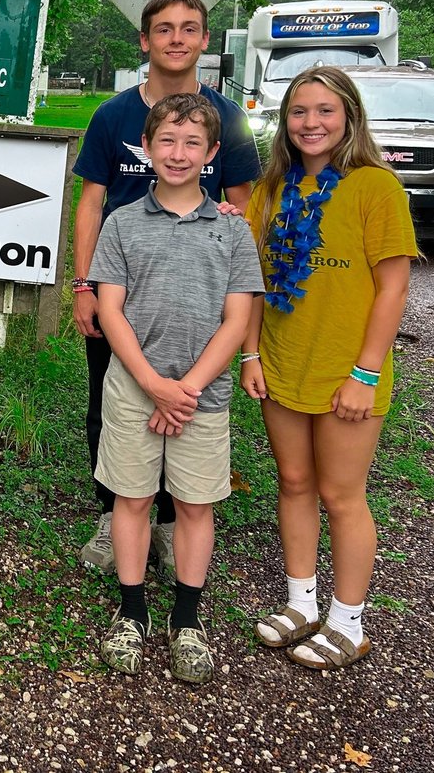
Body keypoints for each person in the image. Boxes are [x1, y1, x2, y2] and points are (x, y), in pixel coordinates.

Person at [71, 0, 260, 576]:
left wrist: (229, 220)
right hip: (121, 292)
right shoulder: (113, 115)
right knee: (111, 402)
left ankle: (176, 520)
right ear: (144, 40)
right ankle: (117, 513)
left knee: (190, 403)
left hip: (197, 296)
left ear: (205, 40)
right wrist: (83, 284)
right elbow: (92, 202)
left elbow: (242, 206)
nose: (176, 39)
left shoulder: (229, 119)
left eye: (189, 28)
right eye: (164, 28)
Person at [240, 66, 415, 671]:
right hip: (282, 363)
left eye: (324, 111)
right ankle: (301, 604)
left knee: (341, 495)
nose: (310, 123)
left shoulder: (375, 187)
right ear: (284, 121)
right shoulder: (271, 190)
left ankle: (347, 623)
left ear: (349, 118)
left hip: (348, 372)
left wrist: (365, 374)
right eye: (298, 111)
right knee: (293, 482)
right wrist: (251, 353)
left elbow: (393, 288)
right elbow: (252, 281)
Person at [89, 93, 263, 683]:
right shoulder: (121, 223)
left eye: (193, 143)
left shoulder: (233, 231)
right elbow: (111, 310)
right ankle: (132, 611)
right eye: (166, 140)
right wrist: (151, 383)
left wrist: (183, 388)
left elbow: (236, 319)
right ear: (146, 148)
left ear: (212, 154)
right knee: (132, 499)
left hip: (201, 398)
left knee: (193, 504)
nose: (179, 153)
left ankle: (186, 619)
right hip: (133, 389)